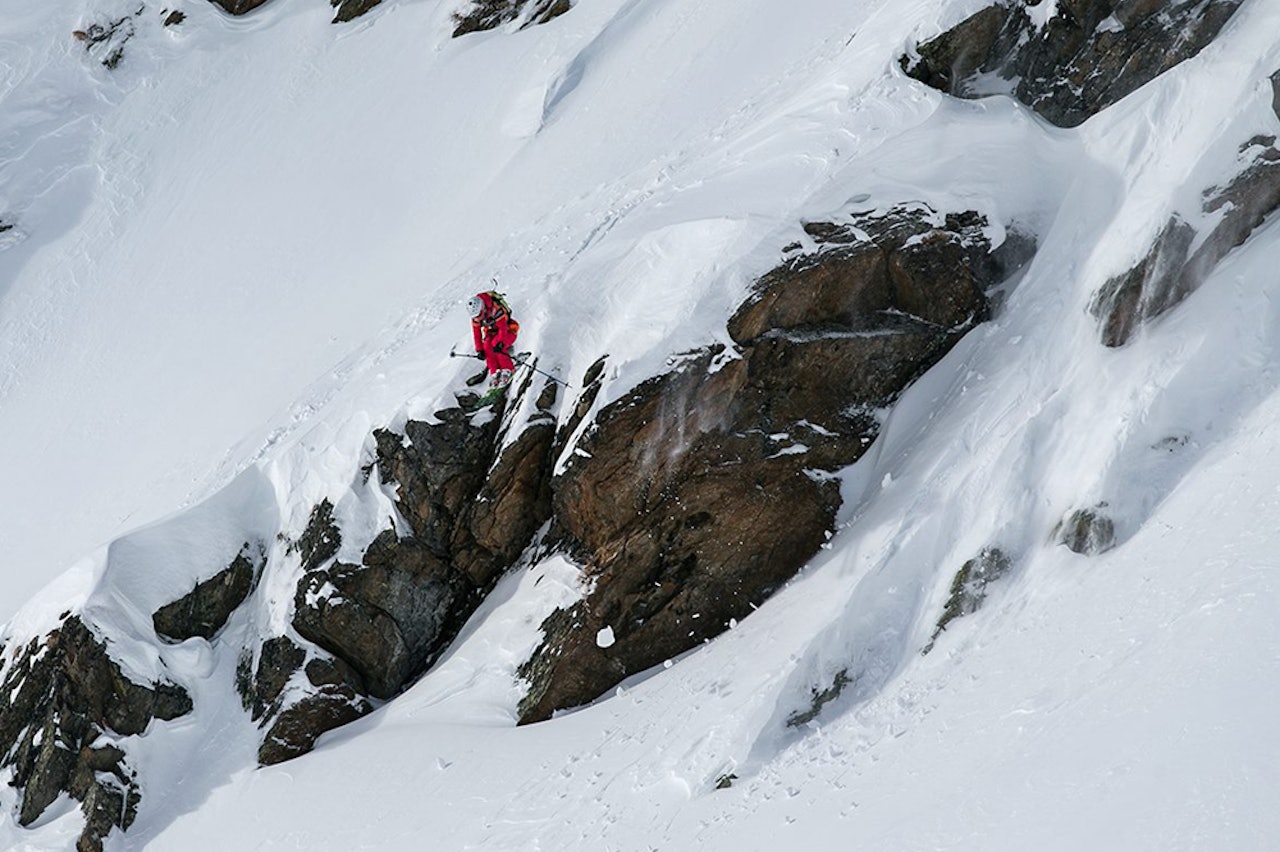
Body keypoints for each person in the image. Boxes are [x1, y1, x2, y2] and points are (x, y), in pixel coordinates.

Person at [468, 289, 519, 391]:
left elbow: (503, 328)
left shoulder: (496, 310)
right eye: (476, 317)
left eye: (479, 315)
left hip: (509, 331)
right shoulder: (476, 317)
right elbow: (477, 334)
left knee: (496, 346)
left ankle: (508, 369)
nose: (478, 319)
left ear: (483, 309)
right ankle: (495, 372)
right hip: (491, 332)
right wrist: (479, 350)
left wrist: (500, 342)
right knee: (487, 346)